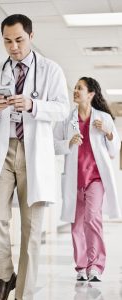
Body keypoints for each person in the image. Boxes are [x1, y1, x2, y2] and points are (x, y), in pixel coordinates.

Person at [0, 14, 70, 300]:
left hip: (33, 153)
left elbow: (63, 109)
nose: (13, 47)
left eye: (19, 40)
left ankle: (23, 294)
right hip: (3, 151)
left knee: (31, 229)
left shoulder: (51, 70)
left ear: (31, 35)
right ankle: (5, 275)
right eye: (7, 41)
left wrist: (33, 105)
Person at [53, 77, 121, 282]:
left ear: (90, 94)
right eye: (75, 87)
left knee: (92, 219)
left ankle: (96, 266)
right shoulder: (67, 119)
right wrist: (68, 142)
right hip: (75, 180)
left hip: (96, 179)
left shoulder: (103, 118)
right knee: (76, 225)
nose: (75, 91)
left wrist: (108, 133)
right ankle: (81, 266)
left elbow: (114, 149)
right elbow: (54, 144)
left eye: (79, 88)